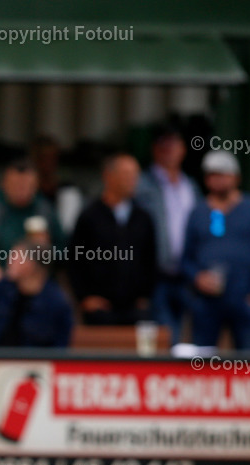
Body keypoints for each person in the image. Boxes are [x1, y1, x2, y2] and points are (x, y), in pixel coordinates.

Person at [180, 151, 250, 350]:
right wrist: (198, 278)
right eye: (213, 175)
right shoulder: (198, 212)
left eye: (223, 174)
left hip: (244, 299)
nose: (218, 180)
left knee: (247, 358)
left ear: (236, 178)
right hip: (206, 302)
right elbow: (186, 259)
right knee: (203, 357)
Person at [69, 154, 157, 326]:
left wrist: (145, 297)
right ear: (108, 176)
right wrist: (84, 297)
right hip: (100, 311)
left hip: (135, 310)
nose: (132, 180)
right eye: (126, 175)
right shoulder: (89, 217)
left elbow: (150, 260)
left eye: (135, 175)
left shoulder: (143, 218)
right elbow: (75, 260)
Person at [135, 126, 203, 344]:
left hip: (187, 273)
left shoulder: (190, 186)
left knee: (189, 335)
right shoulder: (142, 184)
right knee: (164, 336)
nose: (170, 151)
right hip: (156, 273)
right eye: (164, 146)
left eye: (174, 145)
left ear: (183, 150)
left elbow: (205, 225)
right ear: (155, 150)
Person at [0, 239, 73, 348]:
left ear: (31, 264)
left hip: (33, 358)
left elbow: (59, 346)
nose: (9, 262)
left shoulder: (56, 302)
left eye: (15, 258)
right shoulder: (0, 291)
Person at [0, 158, 64, 253]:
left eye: (27, 185)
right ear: (4, 184)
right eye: (16, 185)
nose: (21, 190)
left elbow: (63, 249)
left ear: (36, 185)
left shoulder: (45, 211)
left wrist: (46, 248)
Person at [30, 136, 83, 236]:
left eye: (52, 158)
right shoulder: (26, 194)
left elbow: (68, 230)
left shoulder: (68, 192)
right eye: (42, 158)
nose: (47, 163)